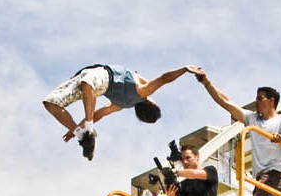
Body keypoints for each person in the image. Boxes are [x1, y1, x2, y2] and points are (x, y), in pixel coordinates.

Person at [196, 71, 281, 196]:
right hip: (261, 176)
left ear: (271, 100)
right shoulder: (252, 118)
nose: (256, 102)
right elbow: (226, 102)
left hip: (275, 173)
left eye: (260, 98)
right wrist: (206, 83)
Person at [43, 63, 201, 160]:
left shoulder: (143, 91)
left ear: (149, 103)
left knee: (87, 84)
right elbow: (98, 114)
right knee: (50, 102)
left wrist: (184, 70)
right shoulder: (123, 105)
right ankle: (83, 135)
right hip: (86, 79)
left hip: (100, 77)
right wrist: (75, 129)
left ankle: (87, 132)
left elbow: (163, 79)